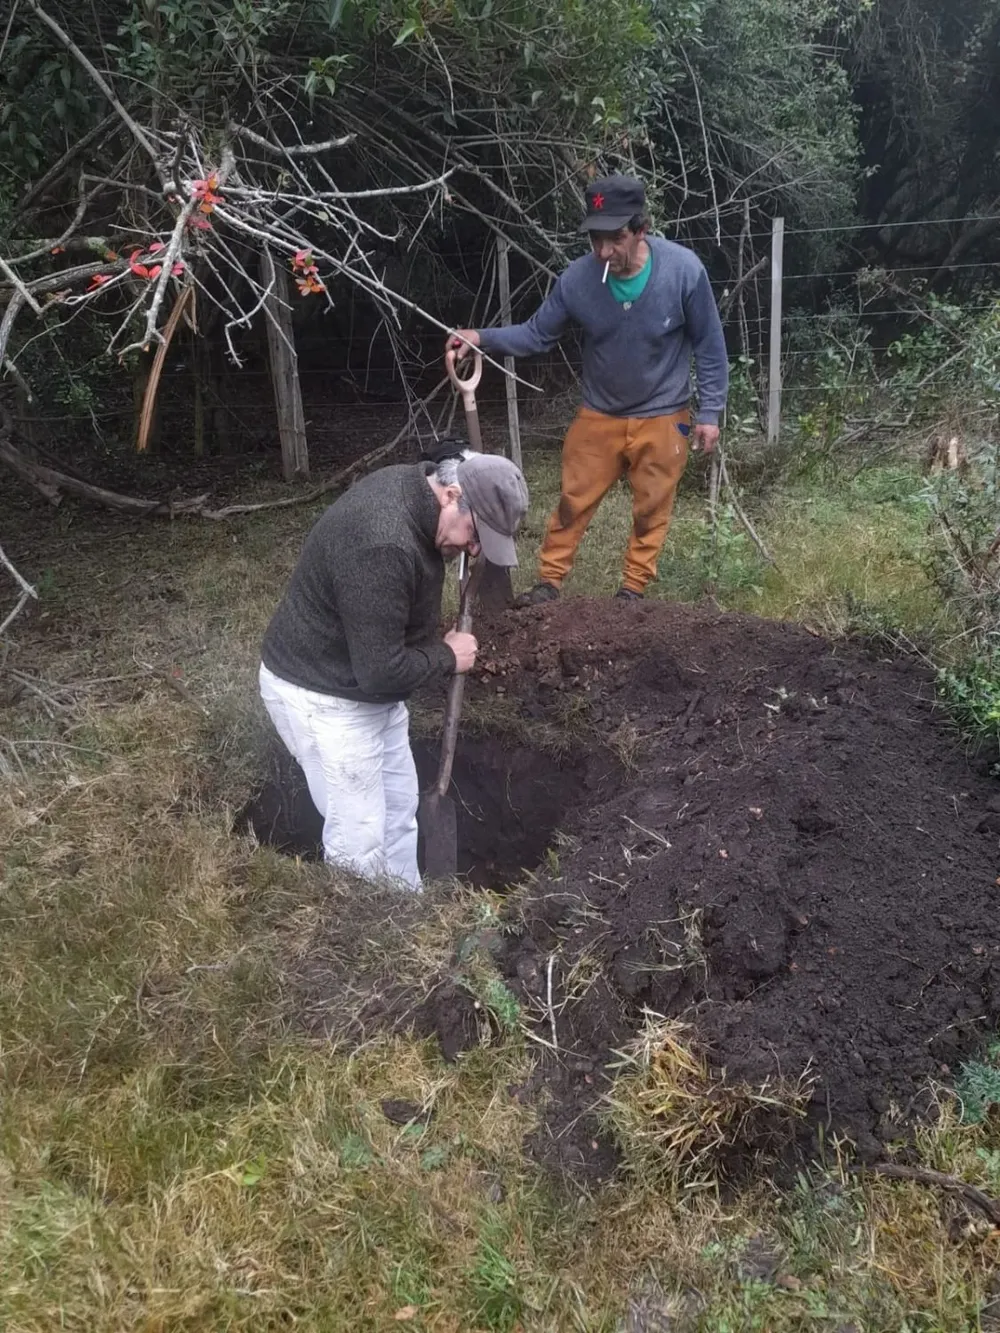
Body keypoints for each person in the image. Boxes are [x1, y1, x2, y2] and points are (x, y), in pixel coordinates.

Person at [449, 174, 728, 605]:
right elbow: (536, 334)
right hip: (600, 412)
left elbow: (710, 343)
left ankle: (632, 591)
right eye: (596, 239)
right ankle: (549, 583)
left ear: (641, 229)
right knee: (572, 502)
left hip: (664, 413)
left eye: (614, 239)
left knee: (652, 508)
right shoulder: (578, 280)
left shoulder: (684, 271)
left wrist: (710, 413)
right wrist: (481, 338)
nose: (603, 251)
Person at [258, 447, 529, 890]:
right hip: (324, 695)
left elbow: (464, 453)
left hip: (365, 684)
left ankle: (404, 911)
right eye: (474, 534)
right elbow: (381, 672)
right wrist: (447, 656)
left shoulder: (424, 484)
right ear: (451, 495)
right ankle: (364, 939)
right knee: (359, 837)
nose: (474, 550)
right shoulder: (382, 544)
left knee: (400, 812)